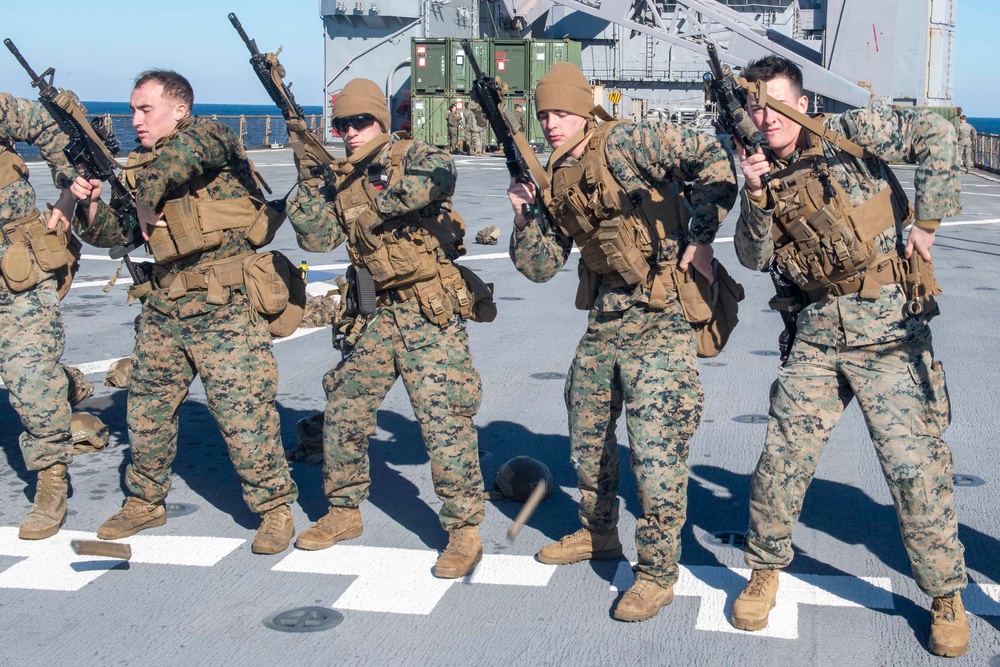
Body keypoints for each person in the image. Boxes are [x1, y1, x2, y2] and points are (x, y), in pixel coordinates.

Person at [731, 55, 968, 657]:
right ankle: (763, 571)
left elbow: (938, 132)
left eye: (777, 102)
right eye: (756, 106)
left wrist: (929, 223)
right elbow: (753, 259)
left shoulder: (848, 136)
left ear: (802, 103)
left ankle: (945, 595)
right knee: (781, 460)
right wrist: (754, 193)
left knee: (915, 471)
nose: (767, 116)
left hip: (889, 334)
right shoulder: (762, 170)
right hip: (815, 335)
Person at [506, 62, 737, 621]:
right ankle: (597, 531)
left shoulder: (630, 141)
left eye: (561, 112)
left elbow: (715, 164)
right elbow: (539, 267)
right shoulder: (558, 174)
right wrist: (523, 216)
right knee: (586, 432)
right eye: (543, 116)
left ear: (584, 109)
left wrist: (701, 239)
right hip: (606, 320)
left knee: (657, 452)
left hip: (661, 317)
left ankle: (657, 572)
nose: (552, 124)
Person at [69, 70, 299, 555]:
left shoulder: (210, 136)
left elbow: (184, 158)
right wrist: (89, 209)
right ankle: (145, 500)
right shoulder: (140, 166)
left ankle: (275, 507)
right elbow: (122, 233)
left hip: (224, 305)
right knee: (147, 409)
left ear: (180, 108)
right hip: (165, 304)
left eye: (144, 109)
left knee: (244, 412)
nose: (134, 120)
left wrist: (144, 190)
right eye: (131, 109)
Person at [284, 78, 488, 579]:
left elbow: (439, 174)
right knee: (344, 411)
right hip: (375, 314)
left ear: (381, 122)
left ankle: (464, 530)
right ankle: (343, 510)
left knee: (445, 422)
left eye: (361, 122)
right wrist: (312, 181)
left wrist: (372, 199)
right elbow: (316, 238)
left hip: (428, 311)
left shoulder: (411, 154)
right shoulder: (337, 177)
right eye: (342, 125)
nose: (351, 132)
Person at [0, 93, 80, 540]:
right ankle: (64, 383)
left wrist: (68, 194)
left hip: (15, 268)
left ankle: (51, 479)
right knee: (23, 372)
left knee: (28, 375)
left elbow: (53, 129)